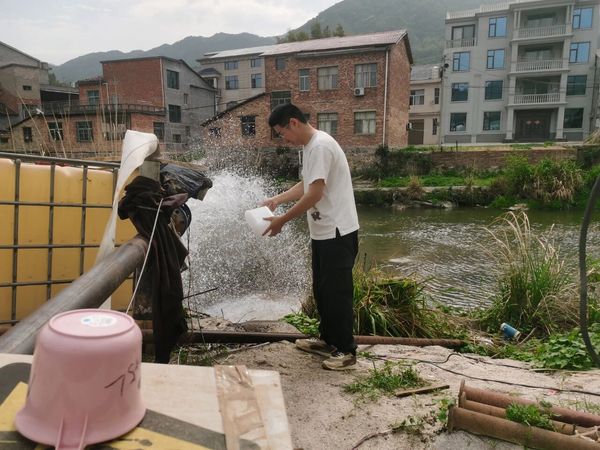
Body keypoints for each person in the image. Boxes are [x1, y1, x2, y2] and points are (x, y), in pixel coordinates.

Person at [262, 103, 359, 370]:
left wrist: (282, 220)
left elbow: (315, 194)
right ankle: (329, 341)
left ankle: (346, 351)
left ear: (293, 123)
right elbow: (307, 184)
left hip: (338, 232)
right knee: (323, 290)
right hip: (324, 232)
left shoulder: (320, 146)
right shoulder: (311, 147)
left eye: (282, 133)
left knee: (337, 293)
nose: (284, 139)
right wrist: (277, 199)